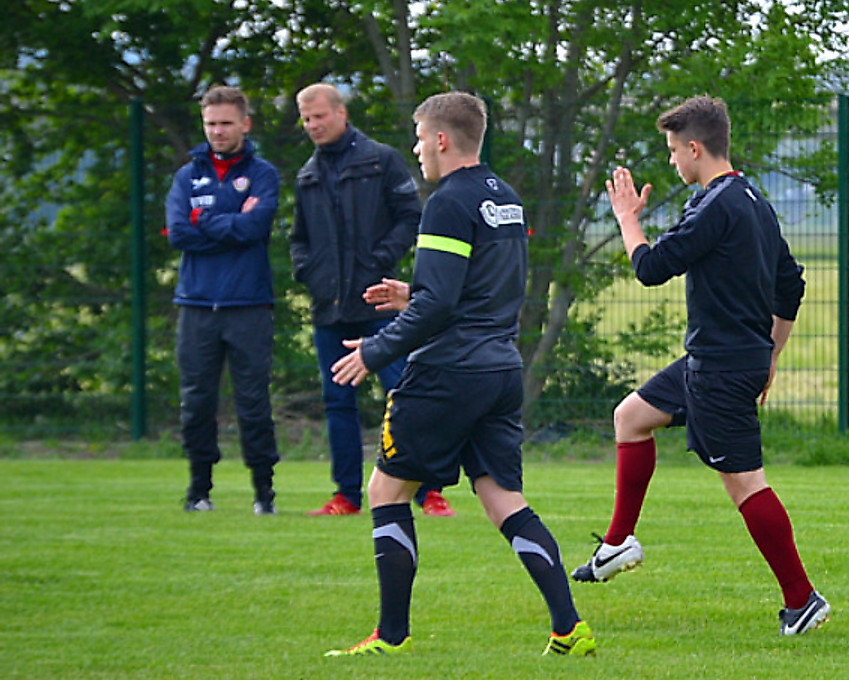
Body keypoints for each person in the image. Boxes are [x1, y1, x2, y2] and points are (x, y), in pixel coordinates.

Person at [322, 91, 595, 657]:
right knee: (502, 499)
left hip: (447, 373)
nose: (416, 148)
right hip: (499, 371)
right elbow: (477, 291)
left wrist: (375, 350)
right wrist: (415, 294)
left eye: (420, 138)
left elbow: (440, 306)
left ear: (442, 139)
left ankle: (391, 637)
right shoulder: (505, 197)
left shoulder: (447, 202)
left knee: (386, 491)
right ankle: (569, 628)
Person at [571, 95, 826, 637]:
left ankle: (802, 600)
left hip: (721, 370)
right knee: (630, 417)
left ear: (694, 148)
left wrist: (626, 219)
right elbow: (790, 285)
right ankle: (617, 543)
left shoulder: (716, 206)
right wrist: (771, 355)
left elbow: (650, 267)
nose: (671, 161)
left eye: (672, 151)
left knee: (745, 484)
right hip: (718, 360)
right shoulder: (752, 199)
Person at [291, 83, 455, 518]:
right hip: (329, 309)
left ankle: (429, 492)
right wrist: (309, 273)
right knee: (337, 403)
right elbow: (299, 239)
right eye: (306, 119)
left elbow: (409, 217)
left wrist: (377, 262)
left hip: (379, 305)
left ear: (341, 113)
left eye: (319, 116)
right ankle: (346, 495)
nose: (313, 125)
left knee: (404, 395)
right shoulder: (307, 175)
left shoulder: (381, 160)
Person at [166, 85, 281, 515]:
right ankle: (199, 490)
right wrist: (230, 221)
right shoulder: (186, 176)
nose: (217, 131)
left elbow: (255, 229)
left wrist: (205, 220)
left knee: (253, 403)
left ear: (244, 124)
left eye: (226, 123)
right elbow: (179, 234)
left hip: (248, 304)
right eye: (211, 123)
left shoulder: (263, 174)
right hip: (196, 305)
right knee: (196, 403)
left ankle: (264, 494)